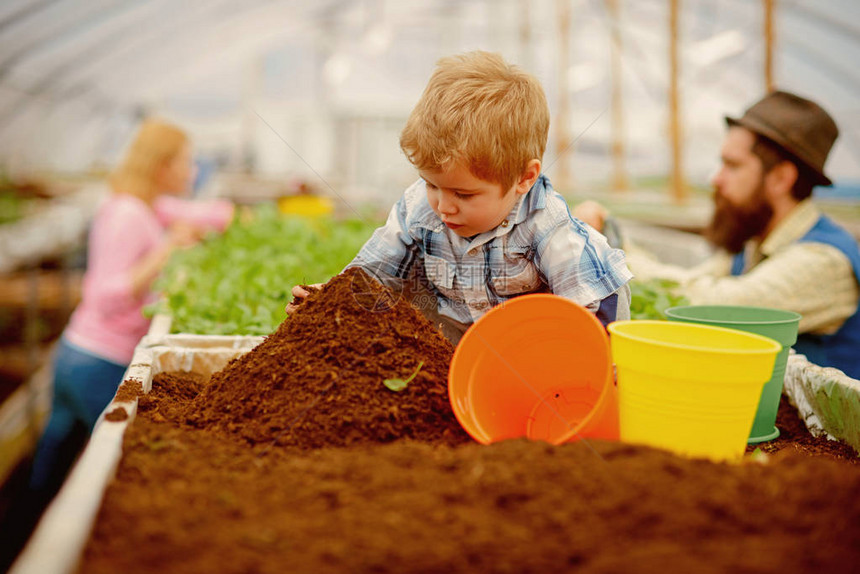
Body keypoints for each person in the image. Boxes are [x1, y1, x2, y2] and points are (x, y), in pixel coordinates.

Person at [289, 51, 632, 343]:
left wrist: (586, 363)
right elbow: (374, 274)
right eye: (431, 184)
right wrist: (328, 302)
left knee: (586, 251)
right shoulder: (421, 208)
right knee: (395, 288)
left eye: (464, 194)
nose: (444, 205)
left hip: (529, 339)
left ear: (524, 178)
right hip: (460, 329)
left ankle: (596, 221)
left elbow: (596, 306)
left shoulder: (548, 228)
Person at [578, 90, 860, 379]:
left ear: (781, 178)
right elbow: (686, 282)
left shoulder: (823, 261)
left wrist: (609, 249)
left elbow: (707, 306)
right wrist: (611, 238)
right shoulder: (753, 242)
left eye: (732, 165)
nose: (716, 178)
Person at [29, 119, 236, 501]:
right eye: (186, 162)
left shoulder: (141, 204)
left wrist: (227, 216)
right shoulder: (129, 214)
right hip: (101, 362)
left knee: (51, 467)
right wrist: (167, 249)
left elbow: (195, 213)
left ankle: (20, 533)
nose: (193, 171)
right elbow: (105, 296)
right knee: (114, 469)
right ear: (162, 167)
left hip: (76, 354)